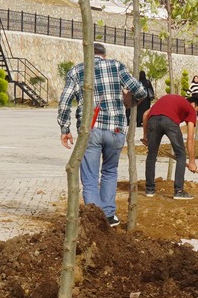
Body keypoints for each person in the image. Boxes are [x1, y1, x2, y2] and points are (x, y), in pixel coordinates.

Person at [57, 42, 151, 227]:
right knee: (110, 171)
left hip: (90, 131)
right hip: (116, 130)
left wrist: (65, 129)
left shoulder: (77, 71)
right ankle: (108, 215)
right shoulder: (117, 66)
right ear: (104, 55)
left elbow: (64, 102)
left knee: (90, 176)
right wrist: (128, 102)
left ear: (88, 56)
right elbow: (141, 91)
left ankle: (95, 219)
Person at [143, 89, 198, 198]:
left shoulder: (169, 99)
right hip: (169, 121)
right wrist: (192, 161)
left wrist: (145, 136)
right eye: (197, 110)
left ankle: (149, 190)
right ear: (193, 104)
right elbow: (190, 138)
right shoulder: (191, 109)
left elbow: (145, 114)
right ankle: (179, 191)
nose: (195, 113)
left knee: (151, 155)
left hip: (153, 120)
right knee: (181, 154)